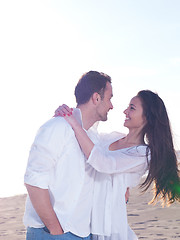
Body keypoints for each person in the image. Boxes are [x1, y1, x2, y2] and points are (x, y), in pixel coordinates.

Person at [55, 90, 180, 240]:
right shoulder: (112, 137)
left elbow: (102, 163)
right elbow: (84, 143)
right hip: (86, 227)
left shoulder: (143, 154)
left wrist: (74, 123)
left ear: (147, 118)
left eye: (132, 108)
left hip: (111, 231)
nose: (125, 111)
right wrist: (67, 116)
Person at [23, 70, 121, 240]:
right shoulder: (57, 127)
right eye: (110, 98)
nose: (112, 105)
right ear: (96, 98)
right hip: (52, 233)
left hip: (84, 234)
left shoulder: (94, 139)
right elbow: (34, 181)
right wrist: (56, 230)